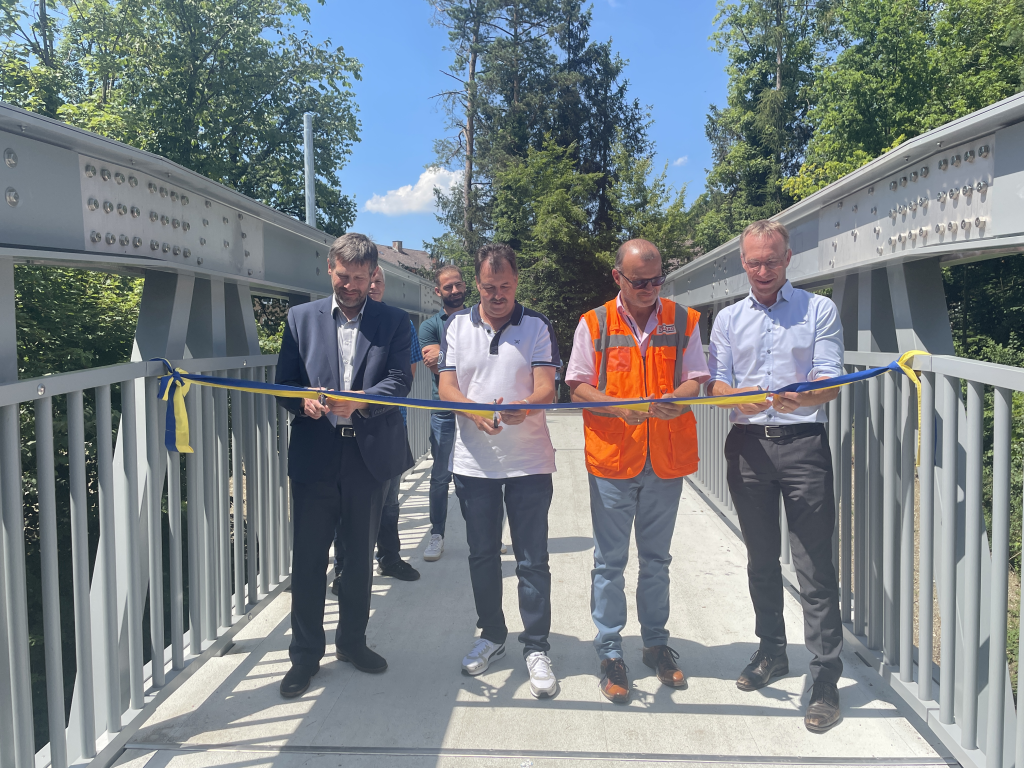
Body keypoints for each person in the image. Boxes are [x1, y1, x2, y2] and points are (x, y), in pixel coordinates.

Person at [707, 219, 844, 733]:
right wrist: (734, 397)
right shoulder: (727, 320)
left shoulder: (819, 309)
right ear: (743, 263)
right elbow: (717, 384)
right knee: (761, 559)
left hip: (804, 444)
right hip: (748, 449)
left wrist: (803, 394)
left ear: (789, 259)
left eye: (772, 260)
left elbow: (830, 384)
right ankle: (772, 651)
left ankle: (826, 675)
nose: (763, 270)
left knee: (813, 567)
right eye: (753, 262)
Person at [566, 238, 709, 704]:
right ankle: (609, 649)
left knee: (657, 560)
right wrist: (616, 408)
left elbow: (698, 377)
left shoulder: (684, 320)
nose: (649, 288)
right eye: (639, 281)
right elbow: (577, 385)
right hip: (614, 458)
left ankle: (654, 644)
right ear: (618, 277)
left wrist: (679, 397)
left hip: (665, 459)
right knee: (610, 562)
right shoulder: (595, 323)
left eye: (656, 280)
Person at [275, 233, 414, 698]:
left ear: (374, 275)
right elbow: (284, 386)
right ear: (328, 269)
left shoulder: (394, 322)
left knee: (357, 561)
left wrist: (356, 403)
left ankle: (352, 642)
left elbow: (398, 382)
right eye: (342, 276)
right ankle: (304, 657)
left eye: (360, 278)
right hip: (315, 456)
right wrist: (303, 404)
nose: (350, 285)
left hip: (368, 457)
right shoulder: (299, 319)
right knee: (309, 561)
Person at [437, 243, 560, 698]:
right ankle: (491, 634)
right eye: (489, 288)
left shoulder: (537, 325)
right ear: (477, 285)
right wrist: (472, 413)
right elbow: (447, 385)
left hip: (529, 460)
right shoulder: (456, 325)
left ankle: (537, 646)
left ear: (516, 282)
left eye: (505, 286)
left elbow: (546, 387)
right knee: (482, 555)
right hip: (474, 463)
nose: (497, 295)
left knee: (532, 559)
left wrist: (523, 409)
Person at [332, 266, 422, 588]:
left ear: (383, 287)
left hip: (387, 427)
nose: (370, 286)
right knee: (345, 505)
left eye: (376, 281)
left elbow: (404, 377)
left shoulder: (398, 324)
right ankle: (344, 568)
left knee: (389, 501)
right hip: (343, 429)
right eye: (364, 281)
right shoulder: (341, 321)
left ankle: (389, 557)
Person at [417, 265, 467, 562]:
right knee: (440, 475)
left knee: (480, 474)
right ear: (438, 291)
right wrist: (465, 357)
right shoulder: (430, 326)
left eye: (458, 285)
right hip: (444, 410)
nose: (454, 291)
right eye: (447, 287)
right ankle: (437, 534)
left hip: (475, 408)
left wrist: (448, 356)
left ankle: (484, 533)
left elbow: (487, 361)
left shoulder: (480, 318)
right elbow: (434, 364)